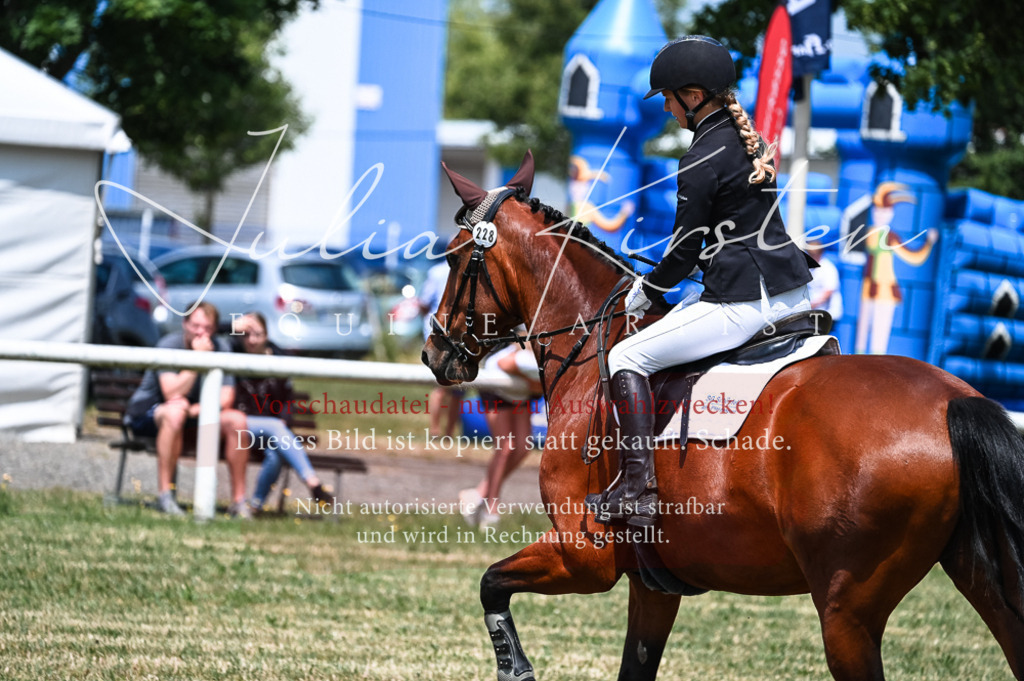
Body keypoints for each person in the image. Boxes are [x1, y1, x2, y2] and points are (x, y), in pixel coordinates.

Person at [586, 36, 816, 527]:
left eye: (669, 97)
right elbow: (723, 237)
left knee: (625, 355)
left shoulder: (700, 158)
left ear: (693, 96)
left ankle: (636, 487)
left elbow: (685, 246)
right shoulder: (737, 142)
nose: (667, 108)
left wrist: (646, 288)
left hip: (746, 301)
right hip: (789, 288)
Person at [125, 301, 250, 517]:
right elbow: (171, 393)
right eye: (196, 325)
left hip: (194, 414)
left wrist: (196, 409)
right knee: (175, 412)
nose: (202, 332)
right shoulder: (168, 345)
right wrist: (198, 359)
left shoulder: (221, 348)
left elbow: (226, 398)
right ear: (184, 324)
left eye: (208, 327)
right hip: (150, 414)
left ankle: (239, 502)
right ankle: (165, 496)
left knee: (237, 420)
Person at [230, 313, 334, 513]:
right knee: (276, 426)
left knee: (276, 454)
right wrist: (234, 325)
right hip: (239, 426)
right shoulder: (233, 354)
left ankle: (256, 506)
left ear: (267, 336)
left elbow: (287, 399)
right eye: (246, 334)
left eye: (257, 334)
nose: (251, 340)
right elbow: (217, 338)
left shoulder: (279, 362)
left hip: (269, 434)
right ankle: (313, 483)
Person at [459, 342, 542, 529]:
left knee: (523, 448)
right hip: (496, 390)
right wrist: (532, 382)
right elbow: (504, 364)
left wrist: (533, 385)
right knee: (506, 447)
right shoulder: (525, 358)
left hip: (520, 394)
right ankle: (491, 508)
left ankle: (478, 493)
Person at [418, 260, 463, 437]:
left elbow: (424, 302)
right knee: (456, 385)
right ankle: (448, 432)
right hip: (459, 334)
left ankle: (435, 430)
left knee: (441, 385)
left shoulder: (436, 271)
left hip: (437, 333)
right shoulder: (471, 269)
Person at [806, 239, 843, 322]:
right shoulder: (810, 268)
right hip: (814, 313)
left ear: (820, 253)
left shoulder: (828, 268)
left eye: (814, 254)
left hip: (828, 314)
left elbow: (828, 292)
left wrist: (812, 305)